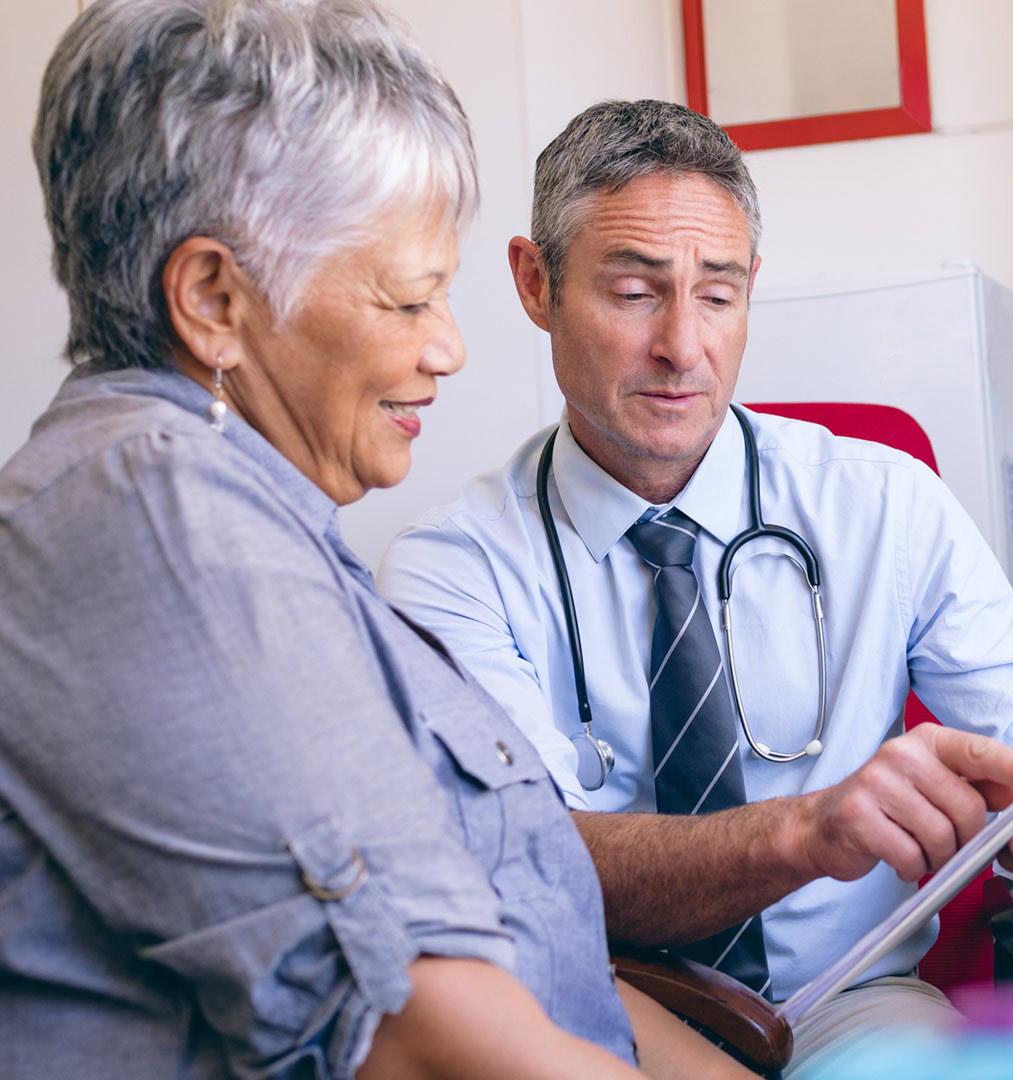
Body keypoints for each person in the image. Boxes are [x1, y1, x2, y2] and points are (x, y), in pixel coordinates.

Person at [0, 12, 768, 1078]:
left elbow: (557, 978)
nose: (448, 347)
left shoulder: (260, 526)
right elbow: (425, 1039)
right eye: (410, 297)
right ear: (214, 300)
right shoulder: (158, 522)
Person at [377, 98, 1013, 1075]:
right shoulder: (448, 573)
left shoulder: (885, 504)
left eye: (717, 294)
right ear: (536, 284)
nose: (683, 346)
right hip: (588, 1008)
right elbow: (534, 870)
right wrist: (805, 831)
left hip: (849, 1005)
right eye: (633, 292)